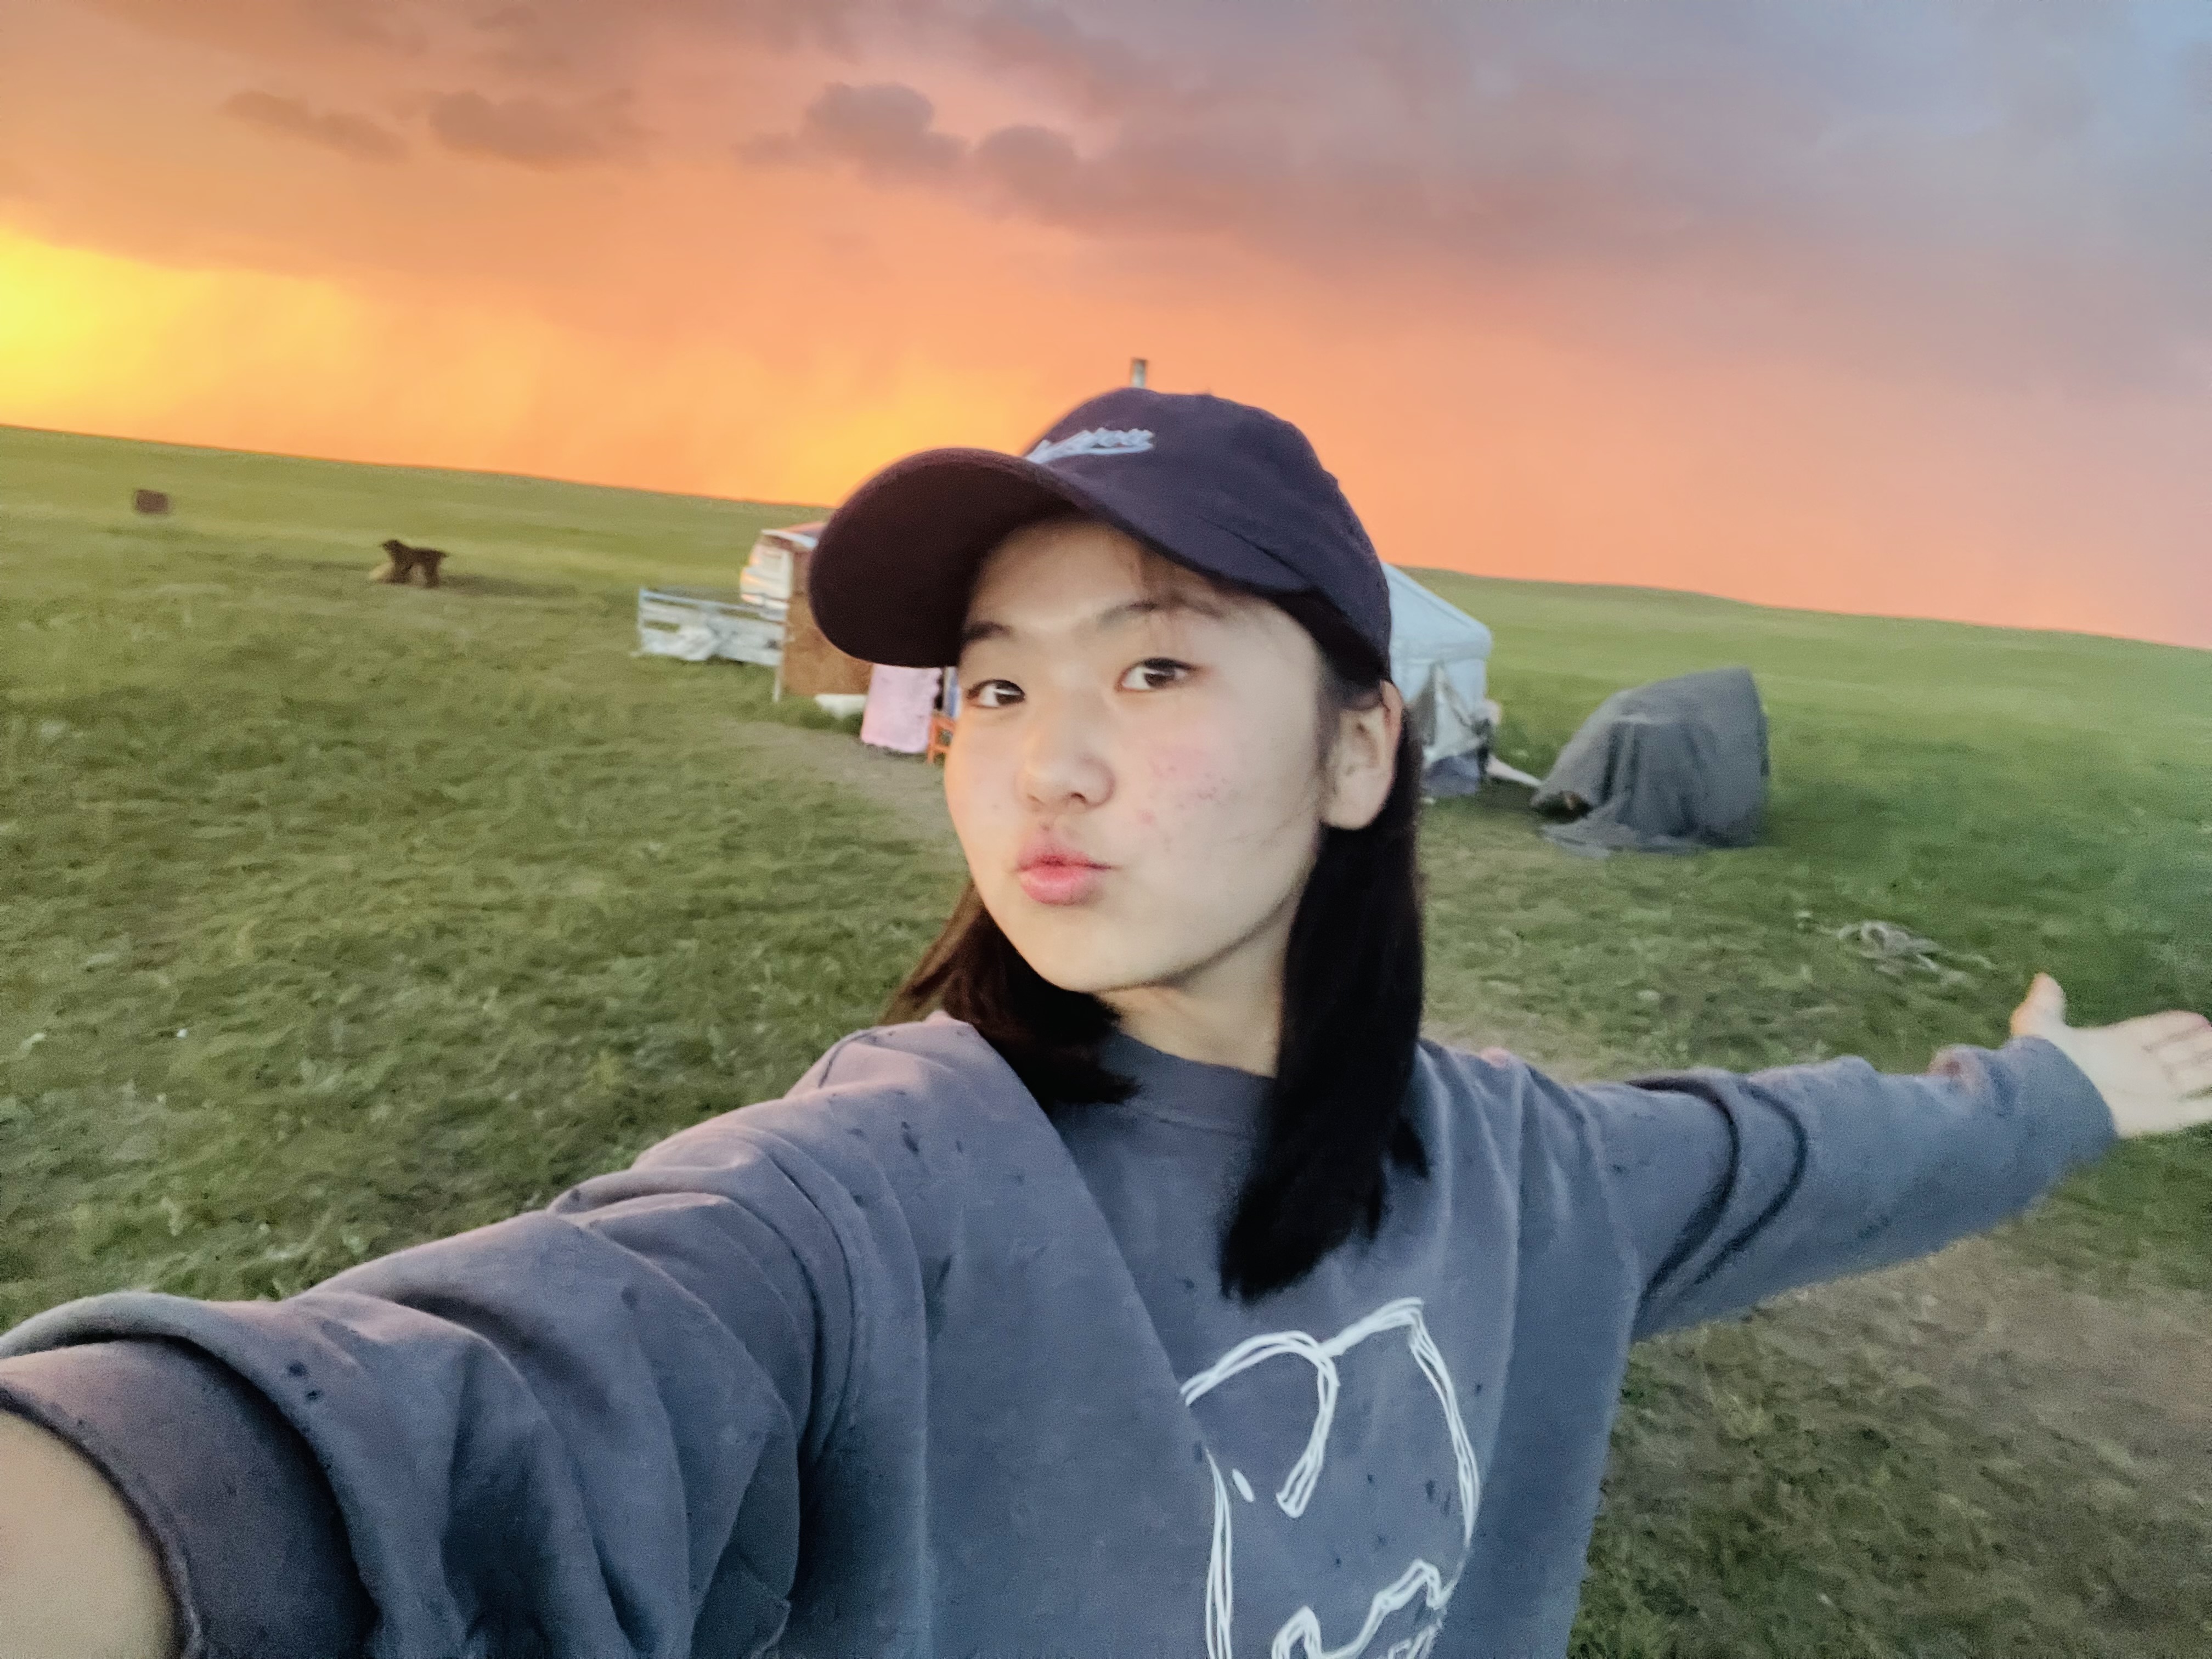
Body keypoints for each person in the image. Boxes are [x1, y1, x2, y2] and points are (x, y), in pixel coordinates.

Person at [1, 388, 2205, 1659]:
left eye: (1153, 666)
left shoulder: (1533, 1175)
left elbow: (1807, 1154)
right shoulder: (870, 1206)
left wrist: (2058, 1090)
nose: (1039, 763)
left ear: (1361, 748)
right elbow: (420, 1435)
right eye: (993, 685)